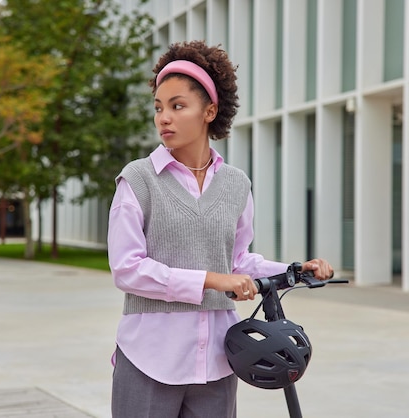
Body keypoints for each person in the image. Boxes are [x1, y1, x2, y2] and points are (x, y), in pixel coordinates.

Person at [107, 40, 333, 418]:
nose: (164, 117)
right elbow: (127, 269)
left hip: (216, 359)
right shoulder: (138, 180)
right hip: (149, 356)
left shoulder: (235, 185)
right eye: (159, 107)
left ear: (209, 111)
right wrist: (212, 280)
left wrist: (293, 271)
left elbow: (239, 260)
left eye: (178, 106)